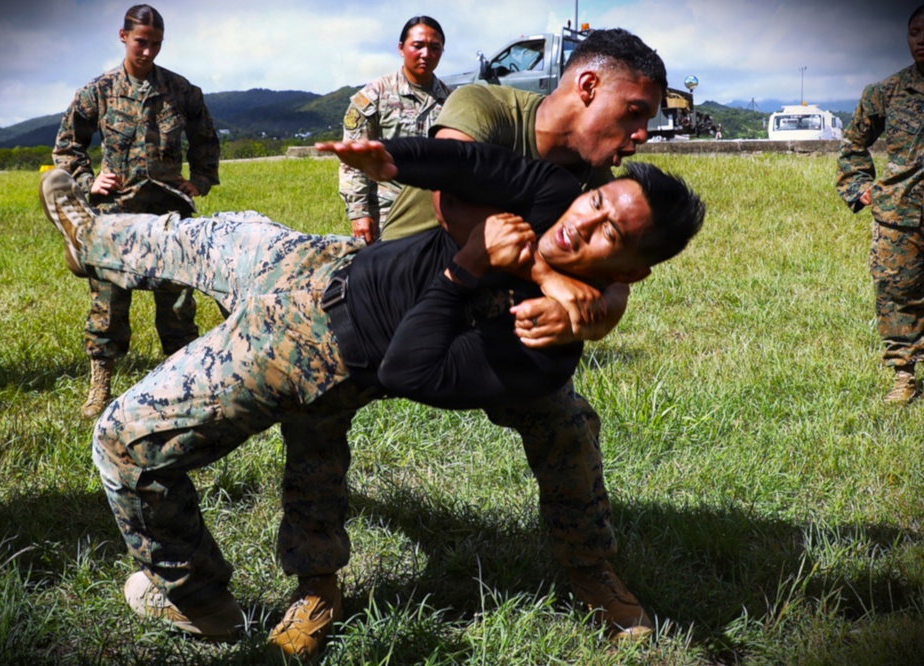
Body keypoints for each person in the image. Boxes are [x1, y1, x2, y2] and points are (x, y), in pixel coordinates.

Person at [38, 136, 704, 658]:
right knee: (214, 234)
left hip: (319, 341)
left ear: (632, 269)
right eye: (596, 203)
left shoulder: (540, 348)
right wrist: (393, 159)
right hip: (327, 261)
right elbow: (472, 164)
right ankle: (90, 241)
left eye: (610, 233)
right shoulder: (556, 195)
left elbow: (409, 369)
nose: (581, 223)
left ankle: (197, 601)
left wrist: (468, 267)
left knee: (125, 440)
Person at [373, 25, 668, 643]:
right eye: (635, 112)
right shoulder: (484, 106)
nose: (642, 133)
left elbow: (616, 290)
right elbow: (455, 207)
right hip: (401, 296)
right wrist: (547, 276)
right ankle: (316, 582)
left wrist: (576, 316)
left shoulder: (598, 183)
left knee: (567, 422)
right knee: (314, 399)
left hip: (495, 317)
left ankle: (590, 571)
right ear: (588, 86)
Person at [53, 4, 220, 419]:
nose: (148, 51)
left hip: (168, 215)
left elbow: (206, 139)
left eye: (156, 44)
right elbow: (67, 144)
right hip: (116, 214)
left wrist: (199, 180)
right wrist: (87, 180)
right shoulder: (99, 91)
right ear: (123, 36)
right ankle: (100, 385)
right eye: (141, 42)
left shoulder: (181, 91)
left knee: (178, 304)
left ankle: (182, 385)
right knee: (108, 303)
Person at [837, 5, 924, 404]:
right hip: (898, 215)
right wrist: (859, 186)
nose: (920, 40)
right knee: (896, 294)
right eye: (914, 33)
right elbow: (853, 144)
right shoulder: (885, 92)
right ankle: (904, 376)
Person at [339, 15, 450, 244]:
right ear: (401, 48)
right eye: (418, 46)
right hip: (388, 212)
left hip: (434, 214)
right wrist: (359, 213)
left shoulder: (450, 101)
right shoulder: (375, 95)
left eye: (434, 48)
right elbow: (354, 158)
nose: (426, 54)